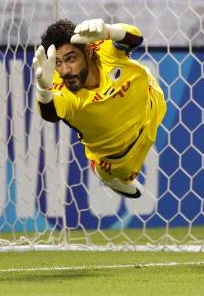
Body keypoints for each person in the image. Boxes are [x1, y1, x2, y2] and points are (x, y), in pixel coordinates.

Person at [31, 18, 167, 199]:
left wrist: (109, 31)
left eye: (70, 58)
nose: (64, 71)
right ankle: (103, 173)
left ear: (87, 51)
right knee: (116, 174)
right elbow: (50, 114)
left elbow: (136, 38)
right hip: (120, 157)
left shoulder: (102, 48)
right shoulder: (59, 89)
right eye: (57, 63)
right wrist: (43, 88)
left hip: (152, 103)